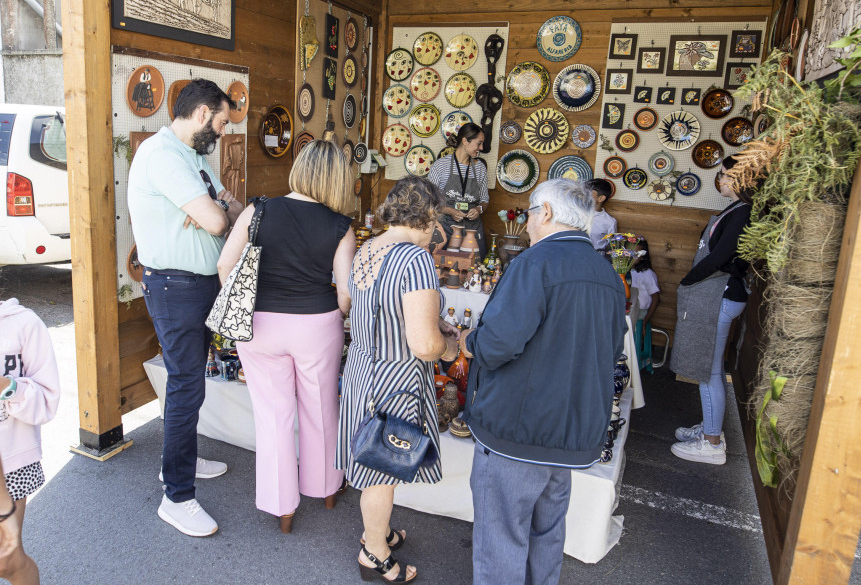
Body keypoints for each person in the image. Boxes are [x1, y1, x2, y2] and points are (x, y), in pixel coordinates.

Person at [459, 178, 626, 585]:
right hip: (571, 431)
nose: (529, 221)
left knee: (502, 537)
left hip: (520, 428)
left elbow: (497, 345)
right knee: (547, 534)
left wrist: (468, 341)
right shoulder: (607, 274)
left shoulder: (533, 263)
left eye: (531, 212)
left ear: (546, 213)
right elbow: (608, 349)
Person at [217, 140, 355, 533]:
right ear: (336, 179)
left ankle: (282, 508)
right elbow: (344, 291)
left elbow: (225, 264)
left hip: (259, 325)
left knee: (273, 416)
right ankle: (326, 487)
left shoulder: (258, 210)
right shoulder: (339, 225)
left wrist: (247, 306)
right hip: (316, 324)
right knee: (321, 408)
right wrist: (339, 316)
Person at [127, 78, 243, 537]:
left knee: (191, 383)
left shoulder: (193, 156)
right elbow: (221, 219)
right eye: (219, 123)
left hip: (196, 284)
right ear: (200, 115)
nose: (220, 132)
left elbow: (235, 208)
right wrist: (216, 209)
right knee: (186, 384)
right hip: (174, 287)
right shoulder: (161, 154)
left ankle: (182, 461)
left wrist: (215, 208)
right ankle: (176, 496)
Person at [336, 176, 460, 583]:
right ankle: (374, 554)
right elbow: (424, 345)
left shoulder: (368, 247)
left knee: (376, 462)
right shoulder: (415, 259)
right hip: (396, 380)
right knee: (383, 470)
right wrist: (451, 347)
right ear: (428, 215)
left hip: (361, 370)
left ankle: (380, 530)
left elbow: (366, 308)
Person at [669, 156, 755, 465]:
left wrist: (688, 280)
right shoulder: (736, 209)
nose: (719, 179)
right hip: (719, 292)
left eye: (723, 175)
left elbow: (719, 256)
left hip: (720, 294)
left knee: (708, 371)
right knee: (712, 368)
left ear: (740, 180)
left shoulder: (743, 212)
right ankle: (709, 427)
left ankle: (712, 443)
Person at [0, 298, 60, 585]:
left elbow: (47, 402)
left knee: (8, 561)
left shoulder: (23, 323)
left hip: (12, 463)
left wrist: (7, 388)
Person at [428, 123, 489, 258]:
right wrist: (450, 211)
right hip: (446, 228)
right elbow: (430, 200)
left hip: (473, 228)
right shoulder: (440, 166)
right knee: (444, 267)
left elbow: (485, 200)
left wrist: (478, 210)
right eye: (479, 143)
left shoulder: (480, 168)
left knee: (475, 268)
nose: (481, 148)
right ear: (465, 141)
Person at [630, 239, 660, 370]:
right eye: (630, 252)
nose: (632, 255)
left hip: (641, 311)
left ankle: (632, 361)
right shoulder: (626, 271)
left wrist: (645, 321)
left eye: (636, 253)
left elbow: (656, 298)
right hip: (628, 308)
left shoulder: (647, 274)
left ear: (643, 255)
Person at [586, 178, 617, 251]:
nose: (584, 196)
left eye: (588, 193)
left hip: (596, 259)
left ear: (601, 198)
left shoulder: (609, 222)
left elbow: (612, 246)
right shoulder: (575, 214)